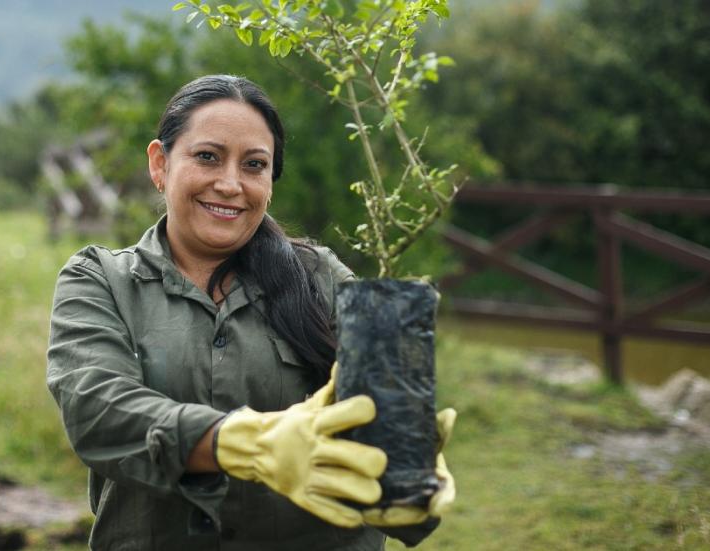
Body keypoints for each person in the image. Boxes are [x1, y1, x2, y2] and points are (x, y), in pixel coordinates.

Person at [47, 74, 455, 551]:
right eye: (207, 157)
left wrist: (408, 472)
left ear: (270, 181)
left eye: (254, 165)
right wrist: (250, 443)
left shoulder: (323, 278)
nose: (229, 184)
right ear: (160, 164)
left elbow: (383, 434)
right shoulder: (100, 280)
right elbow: (97, 412)